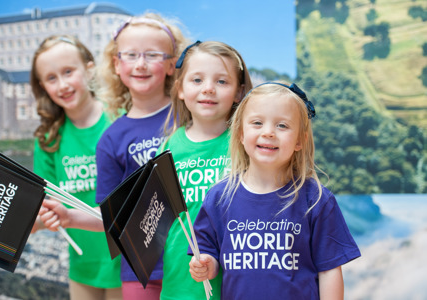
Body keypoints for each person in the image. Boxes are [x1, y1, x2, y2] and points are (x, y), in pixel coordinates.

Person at [38, 13, 188, 300]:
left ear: (172, 64)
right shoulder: (111, 139)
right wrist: (69, 216)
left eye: (152, 54)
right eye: (131, 55)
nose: (141, 64)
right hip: (140, 272)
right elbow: (113, 219)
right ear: (117, 65)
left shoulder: (191, 116)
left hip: (195, 262)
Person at [188, 82, 361, 299]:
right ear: (241, 133)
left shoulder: (316, 200)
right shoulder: (219, 197)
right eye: (257, 123)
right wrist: (205, 265)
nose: (268, 132)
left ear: (300, 140)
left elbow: (329, 270)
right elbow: (209, 254)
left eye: (282, 126)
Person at [158, 41, 252, 300]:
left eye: (222, 82)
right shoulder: (169, 147)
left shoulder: (247, 143)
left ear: (239, 92)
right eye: (197, 80)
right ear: (180, 89)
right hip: (181, 285)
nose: (208, 88)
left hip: (238, 282)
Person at [30, 35, 122, 300]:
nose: (62, 85)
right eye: (51, 78)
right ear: (42, 86)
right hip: (82, 268)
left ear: (89, 68)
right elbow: (46, 208)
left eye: (68, 72)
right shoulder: (47, 140)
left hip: (128, 265)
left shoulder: (120, 120)